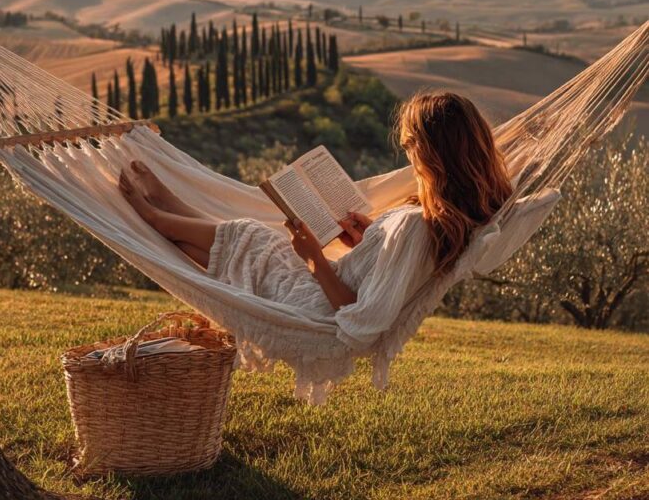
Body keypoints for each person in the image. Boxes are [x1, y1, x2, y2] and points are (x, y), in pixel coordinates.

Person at [119, 91, 512, 348]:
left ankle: (157, 216)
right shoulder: (446, 218)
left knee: (248, 236)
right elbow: (387, 273)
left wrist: (313, 257)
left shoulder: (417, 226)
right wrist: (368, 242)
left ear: (432, 153)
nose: (407, 154)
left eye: (410, 145)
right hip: (322, 287)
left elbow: (361, 318)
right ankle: (165, 210)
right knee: (248, 238)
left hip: (316, 305)